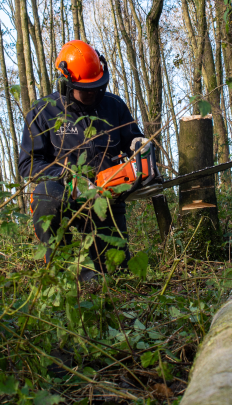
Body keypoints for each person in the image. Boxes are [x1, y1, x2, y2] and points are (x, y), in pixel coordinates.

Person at [18, 40, 145, 280]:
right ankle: (56, 269)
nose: (93, 93)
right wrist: (64, 175)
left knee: (112, 272)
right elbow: (28, 164)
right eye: (86, 89)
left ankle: (91, 276)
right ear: (66, 83)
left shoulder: (114, 106)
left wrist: (140, 147)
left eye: (97, 87)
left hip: (106, 197)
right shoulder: (44, 112)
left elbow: (134, 140)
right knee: (47, 195)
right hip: (65, 193)